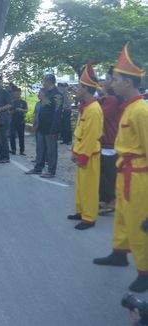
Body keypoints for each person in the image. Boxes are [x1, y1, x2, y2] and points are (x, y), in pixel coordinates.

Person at [93, 44, 148, 293]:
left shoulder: (141, 111)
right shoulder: (129, 107)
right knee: (123, 218)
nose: (111, 83)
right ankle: (119, 253)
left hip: (138, 177)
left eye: (115, 79)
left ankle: (145, 271)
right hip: (125, 170)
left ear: (127, 81)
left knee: (138, 223)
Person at [67, 64, 104, 230]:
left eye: (80, 86)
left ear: (87, 89)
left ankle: (89, 218)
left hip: (90, 154)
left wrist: (83, 155)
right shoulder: (86, 107)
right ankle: (81, 211)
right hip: (82, 151)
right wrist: (75, 150)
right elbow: (80, 132)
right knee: (81, 185)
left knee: (89, 187)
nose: (77, 88)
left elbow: (91, 136)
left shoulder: (94, 110)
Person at [26, 74, 64, 178]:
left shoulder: (57, 94)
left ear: (50, 82)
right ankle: (38, 168)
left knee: (51, 150)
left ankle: (51, 171)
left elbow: (56, 111)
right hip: (41, 127)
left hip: (51, 127)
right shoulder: (46, 93)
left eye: (44, 81)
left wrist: (54, 128)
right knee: (40, 148)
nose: (43, 83)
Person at [98, 66, 124, 215]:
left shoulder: (112, 99)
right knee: (105, 172)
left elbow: (100, 115)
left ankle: (111, 200)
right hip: (106, 140)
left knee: (107, 173)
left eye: (110, 79)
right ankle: (106, 200)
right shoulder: (107, 98)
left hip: (109, 141)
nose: (106, 82)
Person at [9, 86, 28, 156]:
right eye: (15, 93)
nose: (17, 95)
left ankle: (22, 150)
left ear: (20, 93)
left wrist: (20, 110)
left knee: (21, 136)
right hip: (13, 121)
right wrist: (13, 111)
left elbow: (26, 110)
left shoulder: (23, 102)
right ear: (14, 94)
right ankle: (13, 149)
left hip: (21, 121)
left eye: (18, 93)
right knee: (12, 136)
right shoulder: (11, 102)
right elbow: (9, 112)